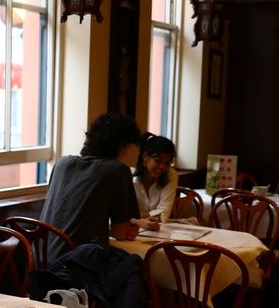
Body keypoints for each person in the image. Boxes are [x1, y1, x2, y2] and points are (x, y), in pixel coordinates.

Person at [40, 112, 142, 261]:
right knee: (134, 266)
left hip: (38, 263)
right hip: (76, 268)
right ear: (121, 145)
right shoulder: (117, 170)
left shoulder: (62, 163)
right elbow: (120, 232)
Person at [131, 133, 178, 231]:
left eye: (167, 163)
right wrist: (140, 220)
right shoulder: (128, 177)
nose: (162, 167)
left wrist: (135, 217)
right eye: (158, 160)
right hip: (133, 230)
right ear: (145, 157)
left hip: (156, 230)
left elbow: (164, 214)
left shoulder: (171, 175)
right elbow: (120, 215)